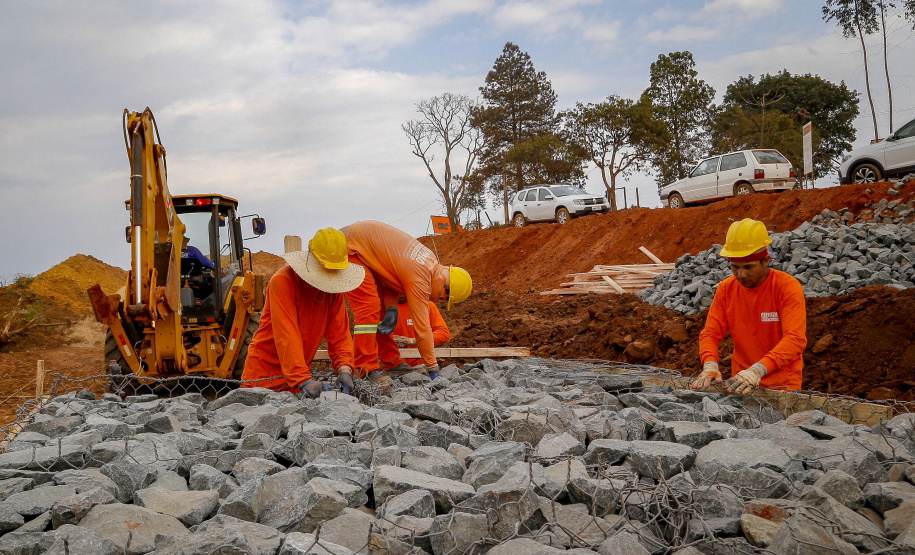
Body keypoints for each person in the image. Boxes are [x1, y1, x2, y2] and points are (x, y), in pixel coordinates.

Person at [241, 228, 364, 398]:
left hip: (297, 382)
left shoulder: (333, 292)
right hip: (263, 379)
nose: (328, 279)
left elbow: (340, 335)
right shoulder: (284, 282)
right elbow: (286, 333)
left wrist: (345, 368)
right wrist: (303, 379)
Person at [341, 220, 471, 381]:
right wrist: (433, 368)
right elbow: (422, 330)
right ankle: (365, 369)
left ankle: (392, 363)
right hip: (349, 248)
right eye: (443, 299)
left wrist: (391, 308)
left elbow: (389, 273)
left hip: (360, 246)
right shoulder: (422, 279)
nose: (438, 301)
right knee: (368, 308)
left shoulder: (428, 262)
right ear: (445, 289)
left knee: (379, 308)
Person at [691, 218, 807, 394]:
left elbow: (795, 340)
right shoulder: (726, 289)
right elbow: (710, 334)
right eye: (734, 267)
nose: (741, 274)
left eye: (748, 267)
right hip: (741, 384)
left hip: (783, 387)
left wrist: (757, 370)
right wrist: (710, 364)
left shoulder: (786, 287)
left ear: (765, 261)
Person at [392, 294, 450, 367]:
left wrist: (417, 341)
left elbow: (443, 333)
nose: (399, 292)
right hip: (392, 366)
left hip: (421, 364)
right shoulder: (382, 308)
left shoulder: (426, 305)